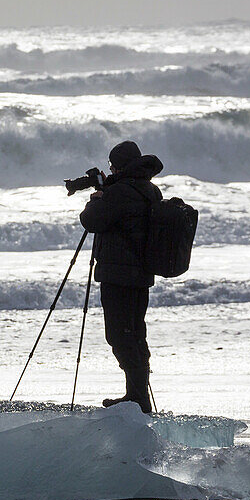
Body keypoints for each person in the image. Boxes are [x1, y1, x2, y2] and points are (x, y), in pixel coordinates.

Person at [79, 140, 164, 413]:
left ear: (121, 165)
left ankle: (138, 399)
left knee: (120, 336)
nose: (112, 169)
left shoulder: (121, 193)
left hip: (119, 276)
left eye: (114, 165)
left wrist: (96, 199)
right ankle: (136, 395)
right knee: (135, 334)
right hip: (139, 275)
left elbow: (91, 221)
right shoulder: (149, 189)